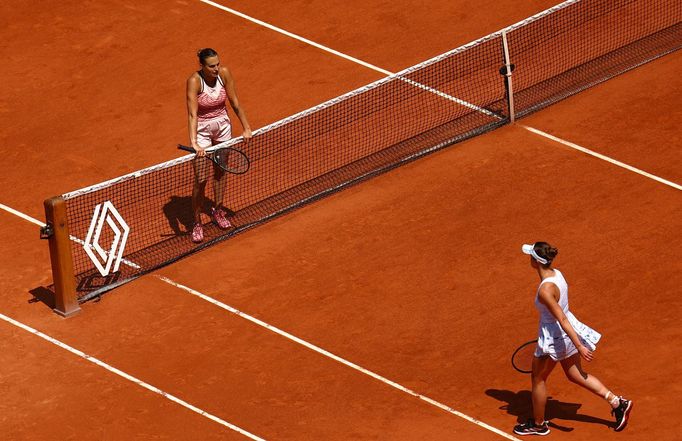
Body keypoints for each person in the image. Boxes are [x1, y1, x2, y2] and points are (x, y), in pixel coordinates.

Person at [513, 242, 632, 436]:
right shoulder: (557, 273)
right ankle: (618, 403)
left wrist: (579, 345)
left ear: (535, 261)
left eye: (531, 256)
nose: (529, 259)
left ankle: (539, 424)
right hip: (567, 333)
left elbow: (560, 318)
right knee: (575, 374)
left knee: (538, 378)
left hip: (556, 337)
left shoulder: (545, 290)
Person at [186, 48, 252, 243]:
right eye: (212, 66)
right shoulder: (194, 81)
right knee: (200, 178)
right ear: (202, 66)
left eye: (217, 64)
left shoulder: (224, 74)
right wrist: (194, 142)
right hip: (202, 130)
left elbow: (235, 102)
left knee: (221, 171)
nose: (216, 68)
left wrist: (247, 127)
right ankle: (197, 222)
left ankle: (218, 210)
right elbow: (192, 114)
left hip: (223, 126)